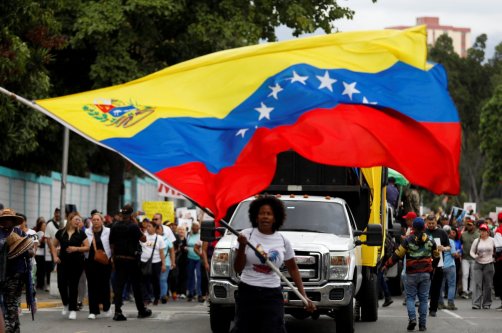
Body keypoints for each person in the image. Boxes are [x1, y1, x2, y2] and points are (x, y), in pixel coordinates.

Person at [232, 196, 315, 333]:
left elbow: (293, 269)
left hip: (272, 293)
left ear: (275, 218)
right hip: (248, 292)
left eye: (269, 214)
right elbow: (238, 268)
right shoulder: (246, 235)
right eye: (261, 213)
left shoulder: (283, 241)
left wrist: (303, 295)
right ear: (256, 216)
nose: (265, 217)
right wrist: (241, 247)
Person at [382, 217, 439, 332]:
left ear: (413, 228)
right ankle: (422, 325)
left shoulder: (407, 240)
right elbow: (436, 256)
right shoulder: (430, 240)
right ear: (424, 227)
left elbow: (397, 255)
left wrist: (386, 265)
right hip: (425, 274)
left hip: (411, 274)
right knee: (423, 299)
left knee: (410, 298)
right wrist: (432, 268)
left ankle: (412, 319)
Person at [109, 204, 152, 321]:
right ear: (131, 214)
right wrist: (136, 225)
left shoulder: (114, 226)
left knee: (119, 286)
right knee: (136, 285)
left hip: (118, 258)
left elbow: (111, 244)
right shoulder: (133, 226)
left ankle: (117, 311)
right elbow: (144, 239)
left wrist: (113, 258)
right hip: (131, 260)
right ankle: (141, 310)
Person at [51, 211, 89, 320]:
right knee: (61, 285)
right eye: (76, 219)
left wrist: (76, 248)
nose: (79, 222)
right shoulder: (61, 232)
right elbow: (53, 245)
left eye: (80, 220)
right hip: (62, 262)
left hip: (77, 263)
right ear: (70, 219)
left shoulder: (81, 233)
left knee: (73, 285)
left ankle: (73, 309)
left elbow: (87, 247)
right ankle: (66, 304)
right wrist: (55, 257)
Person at [1, 209, 34, 333]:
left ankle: (10, 326)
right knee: (7, 301)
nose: (6, 221)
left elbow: (31, 251)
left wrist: (23, 251)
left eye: (9, 219)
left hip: (17, 272)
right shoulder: (0, 234)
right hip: (2, 272)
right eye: (4, 219)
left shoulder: (20, 232)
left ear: (13, 221)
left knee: (11, 300)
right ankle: (14, 327)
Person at [85, 211, 112, 319]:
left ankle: (106, 307)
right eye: (94, 219)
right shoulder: (87, 232)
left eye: (97, 219)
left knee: (104, 285)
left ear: (102, 221)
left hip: (105, 262)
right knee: (92, 286)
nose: (95, 221)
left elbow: (112, 244)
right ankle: (93, 311)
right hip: (90, 262)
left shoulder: (108, 231)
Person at [424, 214, 450, 317]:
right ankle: (423, 307)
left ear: (436, 222)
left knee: (436, 287)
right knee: (424, 287)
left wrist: (443, 248)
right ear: (426, 222)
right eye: (429, 223)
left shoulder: (442, 232)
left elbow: (449, 247)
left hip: (438, 263)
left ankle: (433, 309)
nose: (430, 225)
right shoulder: (423, 232)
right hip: (425, 263)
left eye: (433, 223)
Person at [140, 220, 166, 306]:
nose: (148, 228)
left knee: (155, 281)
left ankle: (156, 297)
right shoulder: (143, 237)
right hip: (144, 262)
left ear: (155, 228)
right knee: (144, 280)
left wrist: (163, 264)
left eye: (150, 226)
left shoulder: (159, 238)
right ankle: (146, 298)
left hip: (156, 262)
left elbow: (162, 252)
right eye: (147, 226)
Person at [470, 223, 495, 309]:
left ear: (488, 232)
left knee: (488, 284)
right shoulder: (476, 241)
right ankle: (476, 304)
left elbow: (497, 249)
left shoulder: (492, 240)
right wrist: (475, 256)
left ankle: (486, 303)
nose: (483, 232)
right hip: (478, 264)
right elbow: (471, 252)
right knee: (477, 284)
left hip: (489, 263)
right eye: (481, 230)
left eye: (484, 230)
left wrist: (495, 257)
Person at [438, 225, 458, 310]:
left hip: (441, 265)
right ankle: (450, 304)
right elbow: (453, 254)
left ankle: (440, 303)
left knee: (440, 285)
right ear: (449, 233)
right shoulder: (451, 241)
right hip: (450, 266)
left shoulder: (438, 242)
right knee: (451, 285)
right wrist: (457, 254)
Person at [460, 217, 479, 299]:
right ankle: (465, 291)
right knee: (465, 274)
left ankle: (471, 291)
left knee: (473, 275)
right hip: (465, 257)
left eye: (471, 225)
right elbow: (460, 244)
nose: (469, 226)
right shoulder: (463, 234)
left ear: (474, 225)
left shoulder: (478, 235)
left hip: (474, 258)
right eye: (468, 225)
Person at [157, 222, 175, 303]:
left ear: (162, 230)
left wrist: (173, 262)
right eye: (156, 229)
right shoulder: (152, 238)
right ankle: (156, 295)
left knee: (163, 279)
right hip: (155, 261)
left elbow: (172, 251)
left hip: (166, 262)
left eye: (159, 229)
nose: (157, 230)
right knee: (156, 279)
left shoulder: (167, 240)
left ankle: (163, 296)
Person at [186, 221, 203, 302]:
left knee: (198, 275)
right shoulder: (189, 235)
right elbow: (187, 244)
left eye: (197, 226)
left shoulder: (200, 236)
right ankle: (190, 293)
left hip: (198, 258)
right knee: (190, 276)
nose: (195, 228)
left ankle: (199, 294)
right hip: (190, 258)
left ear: (199, 227)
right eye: (194, 226)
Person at [33, 217, 48, 290]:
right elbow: (37, 244)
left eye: (45, 226)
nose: (44, 227)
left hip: (44, 255)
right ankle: (38, 284)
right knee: (38, 270)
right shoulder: (36, 233)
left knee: (43, 270)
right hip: (38, 254)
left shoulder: (46, 233)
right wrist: (42, 240)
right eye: (43, 226)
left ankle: (41, 284)